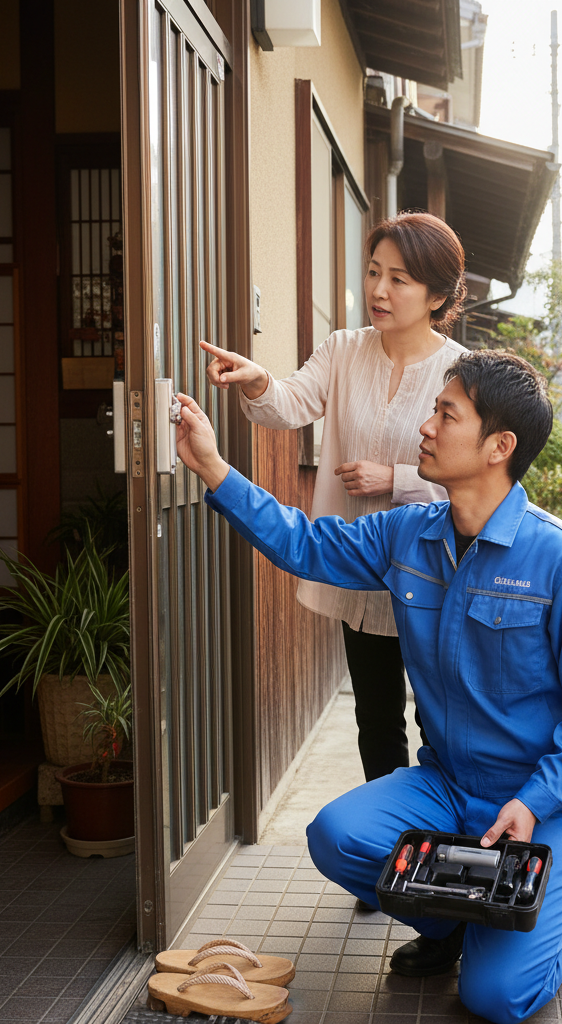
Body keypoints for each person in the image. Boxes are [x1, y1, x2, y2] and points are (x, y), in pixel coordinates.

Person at [173, 348, 562, 1024]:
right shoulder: (407, 535)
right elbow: (303, 544)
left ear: (497, 447)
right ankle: (457, 926)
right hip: (447, 788)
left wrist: (536, 801)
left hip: (542, 809)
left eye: (446, 414)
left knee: (496, 999)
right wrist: (213, 468)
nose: (426, 426)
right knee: (338, 834)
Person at [200, 212, 467, 783]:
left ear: (437, 294)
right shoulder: (343, 348)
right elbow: (289, 404)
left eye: (399, 279)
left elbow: (472, 477)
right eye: (373, 272)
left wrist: (392, 479)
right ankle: (392, 844)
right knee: (375, 718)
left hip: (431, 573)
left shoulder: (461, 371)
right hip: (356, 562)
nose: (378, 290)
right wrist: (255, 379)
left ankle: (444, 845)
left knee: (442, 723)